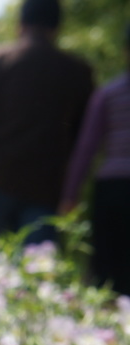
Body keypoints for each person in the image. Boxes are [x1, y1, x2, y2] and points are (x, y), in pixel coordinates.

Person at [0, 0, 94, 254]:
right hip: (44, 189)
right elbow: (80, 138)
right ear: (57, 27)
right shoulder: (79, 72)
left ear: (20, 24)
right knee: (36, 275)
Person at [60, 24, 130, 297]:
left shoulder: (108, 94)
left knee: (108, 272)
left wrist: (70, 195)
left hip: (112, 190)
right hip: (112, 188)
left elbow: (86, 148)